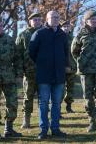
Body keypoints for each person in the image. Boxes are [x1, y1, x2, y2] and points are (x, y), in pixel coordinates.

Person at [29, 11, 69, 140]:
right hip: (44, 74)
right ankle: (43, 130)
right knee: (44, 103)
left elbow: (66, 52)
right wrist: (42, 62)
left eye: (58, 17)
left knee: (57, 103)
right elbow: (31, 52)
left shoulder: (63, 35)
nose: (56, 19)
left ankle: (56, 129)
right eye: (53, 17)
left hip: (59, 75)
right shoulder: (39, 33)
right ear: (47, 19)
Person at [15, 13, 42, 129]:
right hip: (29, 72)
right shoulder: (23, 35)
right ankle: (26, 120)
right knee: (28, 96)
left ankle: (43, 120)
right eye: (34, 20)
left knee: (44, 98)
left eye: (38, 20)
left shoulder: (45, 33)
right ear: (29, 21)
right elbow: (18, 55)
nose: (36, 21)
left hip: (43, 72)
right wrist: (20, 72)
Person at [59, 20, 77, 113]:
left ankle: (69, 106)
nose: (66, 28)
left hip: (72, 67)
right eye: (64, 26)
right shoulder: (58, 38)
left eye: (68, 26)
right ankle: (58, 109)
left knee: (70, 88)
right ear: (61, 27)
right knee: (60, 89)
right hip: (60, 68)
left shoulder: (74, 38)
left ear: (70, 28)